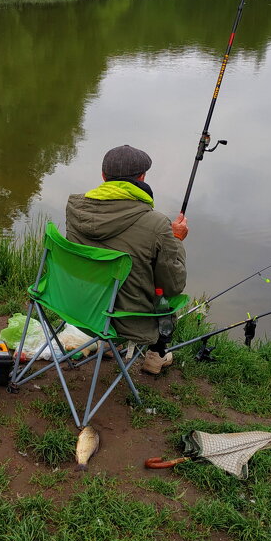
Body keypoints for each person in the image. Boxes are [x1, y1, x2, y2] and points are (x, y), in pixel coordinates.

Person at [65, 144, 189, 375]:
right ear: (142, 178)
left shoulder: (75, 207)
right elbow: (174, 285)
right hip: (127, 320)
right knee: (164, 297)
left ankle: (112, 346)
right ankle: (156, 355)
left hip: (75, 307)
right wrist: (175, 241)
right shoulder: (157, 224)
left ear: (103, 176)